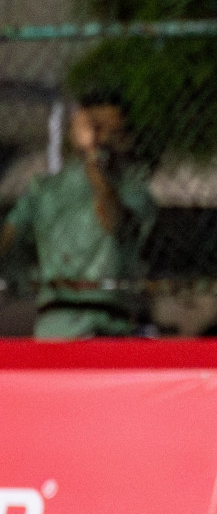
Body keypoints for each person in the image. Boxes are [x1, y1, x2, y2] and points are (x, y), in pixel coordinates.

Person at [0, 90, 156, 337]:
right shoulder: (44, 190)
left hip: (109, 325)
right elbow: (8, 236)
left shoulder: (133, 191)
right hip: (56, 325)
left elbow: (114, 225)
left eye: (109, 130)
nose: (100, 137)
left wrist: (96, 166)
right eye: (93, 127)